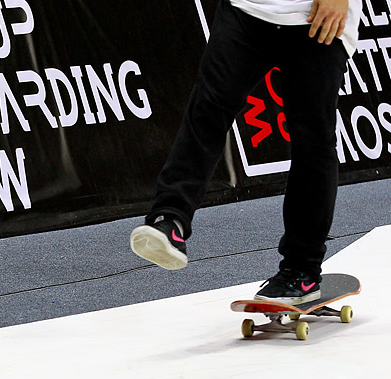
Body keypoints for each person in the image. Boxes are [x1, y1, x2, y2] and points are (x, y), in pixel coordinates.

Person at [130, 0, 362, 305]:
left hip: (316, 14)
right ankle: (169, 218)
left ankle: (301, 269)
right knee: (208, 108)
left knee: (312, 139)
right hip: (247, 7)